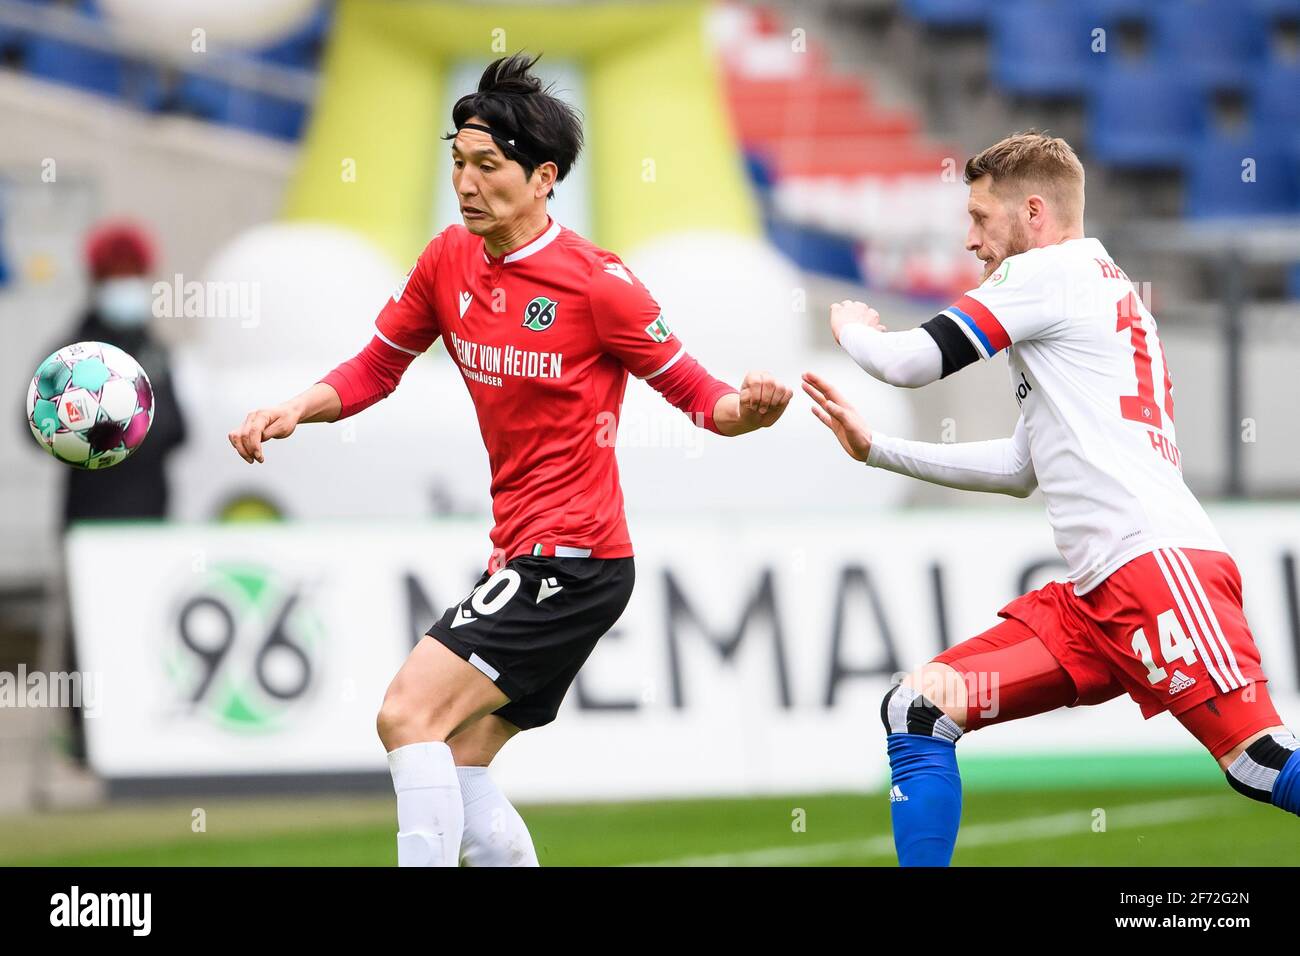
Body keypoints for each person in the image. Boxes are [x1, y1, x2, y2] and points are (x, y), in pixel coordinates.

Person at [228, 53, 792, 867]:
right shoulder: (446, 261)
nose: (465, 182)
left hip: (575, 560)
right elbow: (377, 365)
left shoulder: (601, 286)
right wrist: (297, 406)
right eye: (456, 161)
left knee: (405, 714)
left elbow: (708, 401)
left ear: (544, 177)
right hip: (528, 552)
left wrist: (758, 411)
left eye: (487, 165)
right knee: (456, 766)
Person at [804, 131, 1298, 866]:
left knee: (1258, 762)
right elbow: (1018, 469)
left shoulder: (1047, 275)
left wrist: (851, 328)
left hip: (1158, 571)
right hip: (1097, 599)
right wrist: (878, 448)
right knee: (918, 709)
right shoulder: (1092, 290)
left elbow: (908, 362)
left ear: (1033, 211)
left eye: (979, 218)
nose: (970, 241)